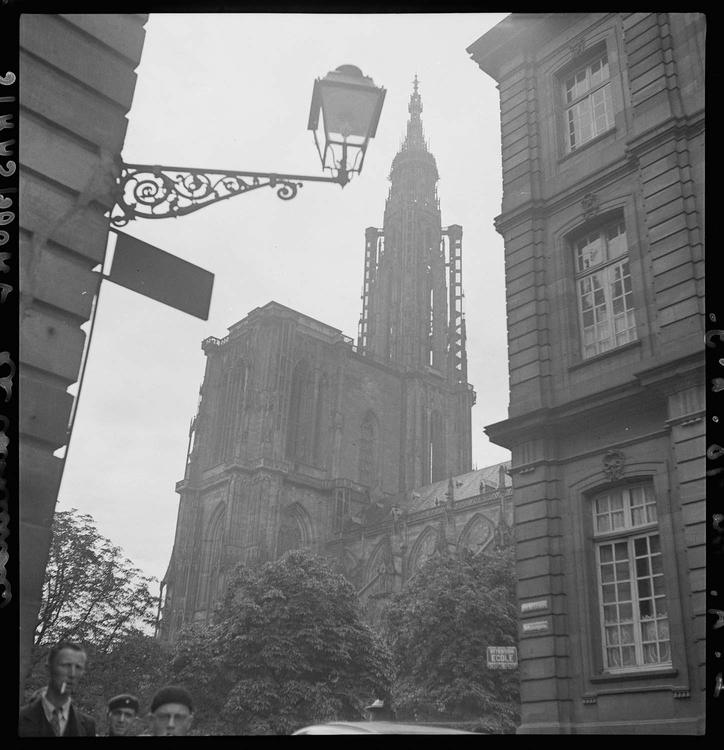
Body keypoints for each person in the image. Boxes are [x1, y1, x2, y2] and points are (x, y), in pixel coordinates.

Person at [18, 641, 96, 737]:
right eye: (66, 665)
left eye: (78, 667)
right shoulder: (21, 719)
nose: (72, 674)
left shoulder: (88, 725)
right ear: (48, 668)